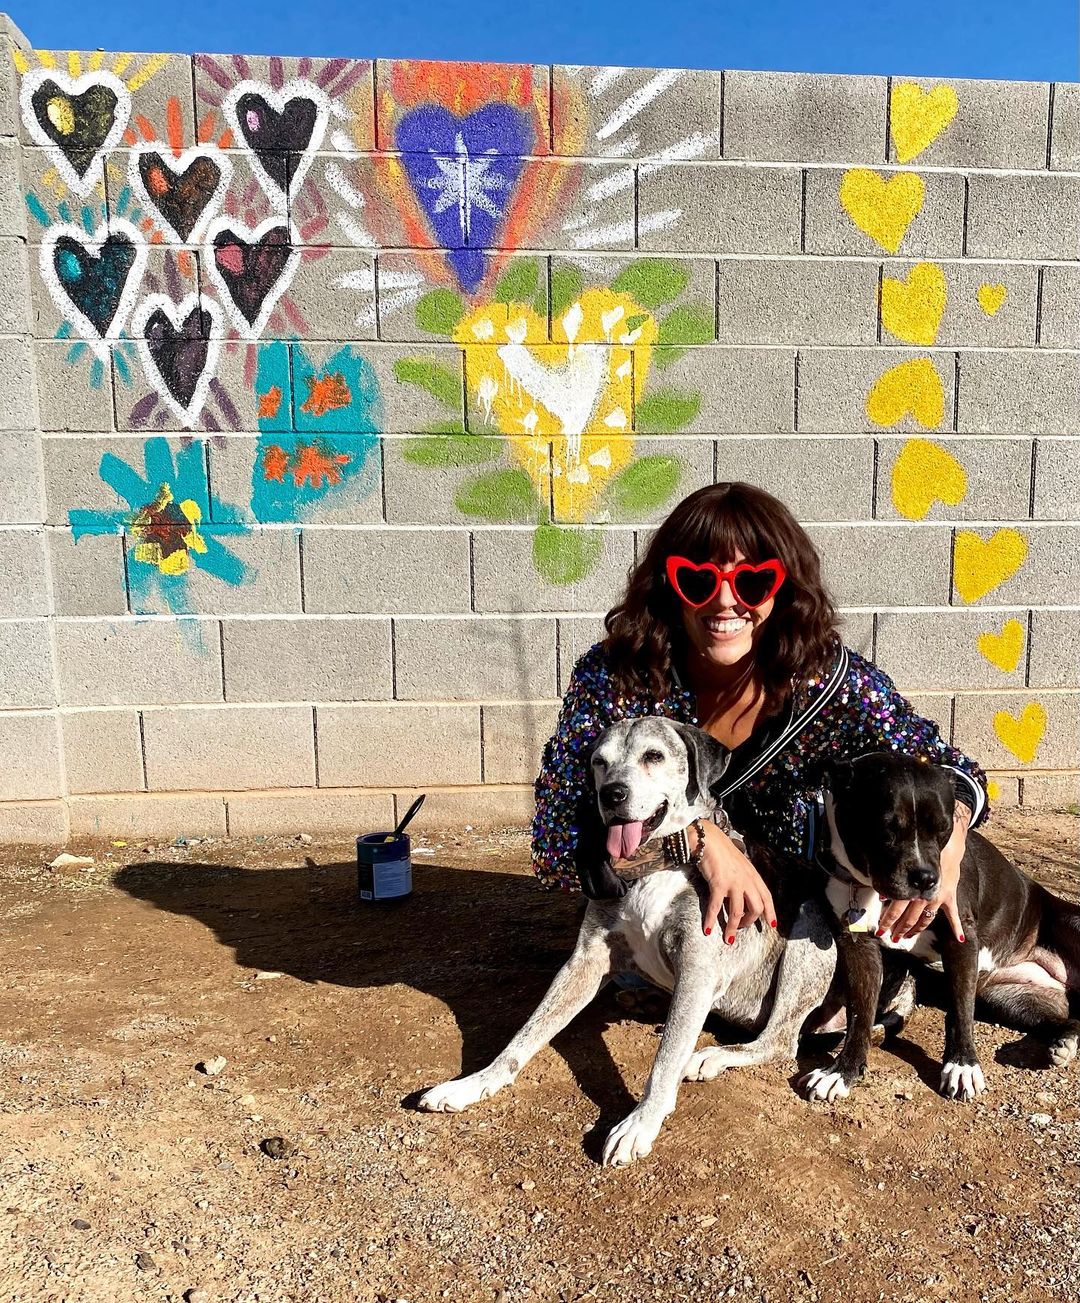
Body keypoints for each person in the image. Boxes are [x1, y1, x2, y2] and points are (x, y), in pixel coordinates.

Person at [531, 482, 988, 946]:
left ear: (784, 588)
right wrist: (696, 840)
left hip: (800, 934)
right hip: (651, 928)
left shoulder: (824, 681)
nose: (726, 600)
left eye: (752, 582)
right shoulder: (618, 676)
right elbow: (556, 843)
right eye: (698, 580)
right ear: (669, 586)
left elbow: (953, 771)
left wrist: (950, 848)